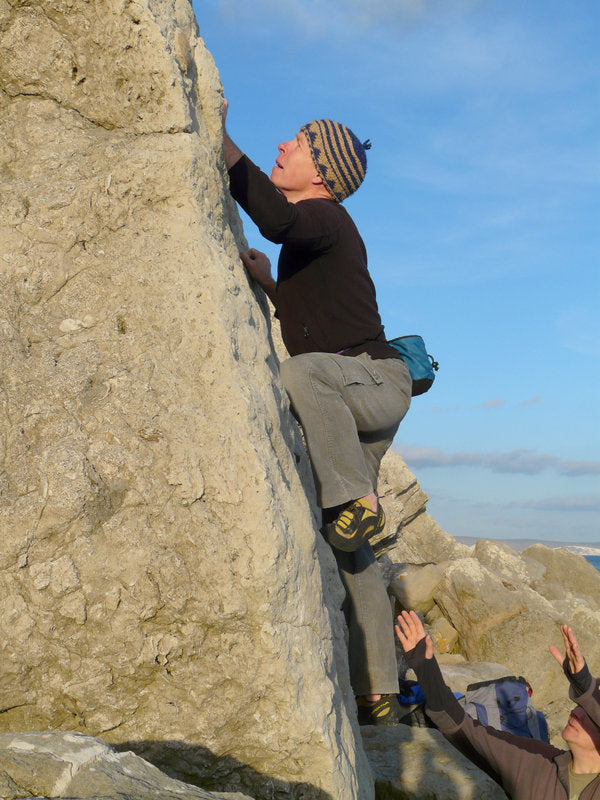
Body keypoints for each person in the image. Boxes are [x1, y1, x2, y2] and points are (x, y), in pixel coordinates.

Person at [222, 101, 413, 725]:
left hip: (375, 381)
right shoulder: (315, 238)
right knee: (349, 547)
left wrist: (219, 141)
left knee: (300, 373)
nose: (283, 145)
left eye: (299, 142)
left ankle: (360, 500)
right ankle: (378, 688)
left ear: (323, 175)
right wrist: (271, 286)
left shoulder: (327, 218)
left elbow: (277, 223)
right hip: (355, 392)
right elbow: (319, 317)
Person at [395, 610, 600, 799]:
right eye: (579, 706)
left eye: (589, 714)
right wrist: (425, 668)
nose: (576, 712)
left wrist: (585, 687)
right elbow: (459, 726)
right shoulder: (536, 762)